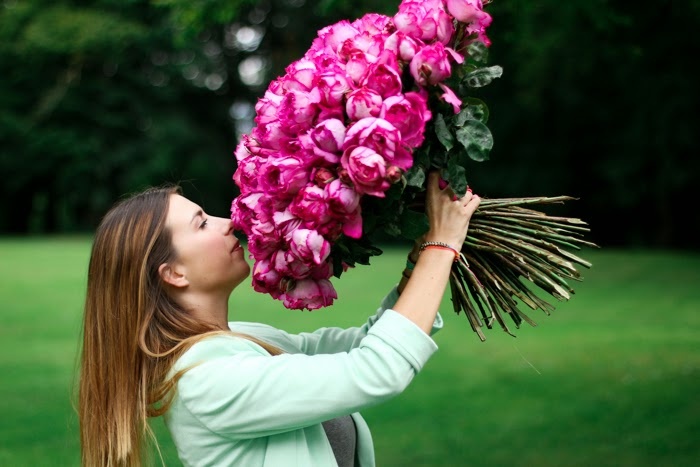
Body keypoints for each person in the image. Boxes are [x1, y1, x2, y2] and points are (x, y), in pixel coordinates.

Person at [78, 171, 480, 466]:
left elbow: (362, 345)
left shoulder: (240, 339)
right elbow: (377, 368)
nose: (230, 222)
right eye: (202, 223)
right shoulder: (206, 381)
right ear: (174, 274)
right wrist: (441, 247)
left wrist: (418, 266)